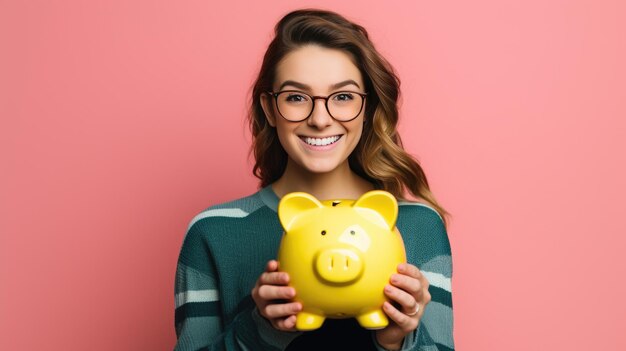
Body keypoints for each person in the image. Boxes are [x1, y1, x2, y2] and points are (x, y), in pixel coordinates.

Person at [174, 8, 454, 351]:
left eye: (343, 97)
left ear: (366, 109)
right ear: (269, 108)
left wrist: (397, 338)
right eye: (296, 97)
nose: (320, 119)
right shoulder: (213, 232)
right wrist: (261, 329)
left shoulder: (418, 227)